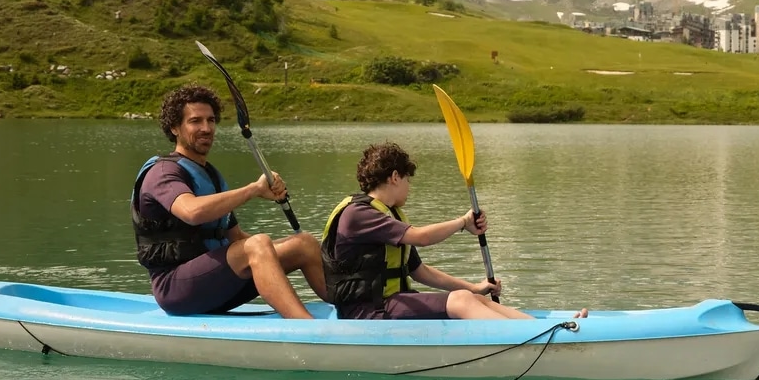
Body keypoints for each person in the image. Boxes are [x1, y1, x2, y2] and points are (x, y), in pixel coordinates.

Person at [322, 141, 586, 321]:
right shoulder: (360, 214)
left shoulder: (385, 215)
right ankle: (541, 336)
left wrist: (475, 288)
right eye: (407, 180)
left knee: (472, 298)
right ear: (394, 177)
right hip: (367, 312)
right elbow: (423, 237)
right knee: (461, 301)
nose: (408, 187)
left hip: (388, 303)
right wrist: (463, 222)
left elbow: (420, 271)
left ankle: (540, 329)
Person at [132, 85, 325, 319]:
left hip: (215, 282)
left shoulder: (210, 176)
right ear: (175, 128)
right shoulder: (162, 172)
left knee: (303, 243)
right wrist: (254, 189)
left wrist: (273, 254)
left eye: (211, 120)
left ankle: (355, 311)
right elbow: (192, 212)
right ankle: (306, 328)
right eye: (195, 121)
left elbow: (236, 239)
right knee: (258, 244)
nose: (206, 128)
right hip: (175, 289)